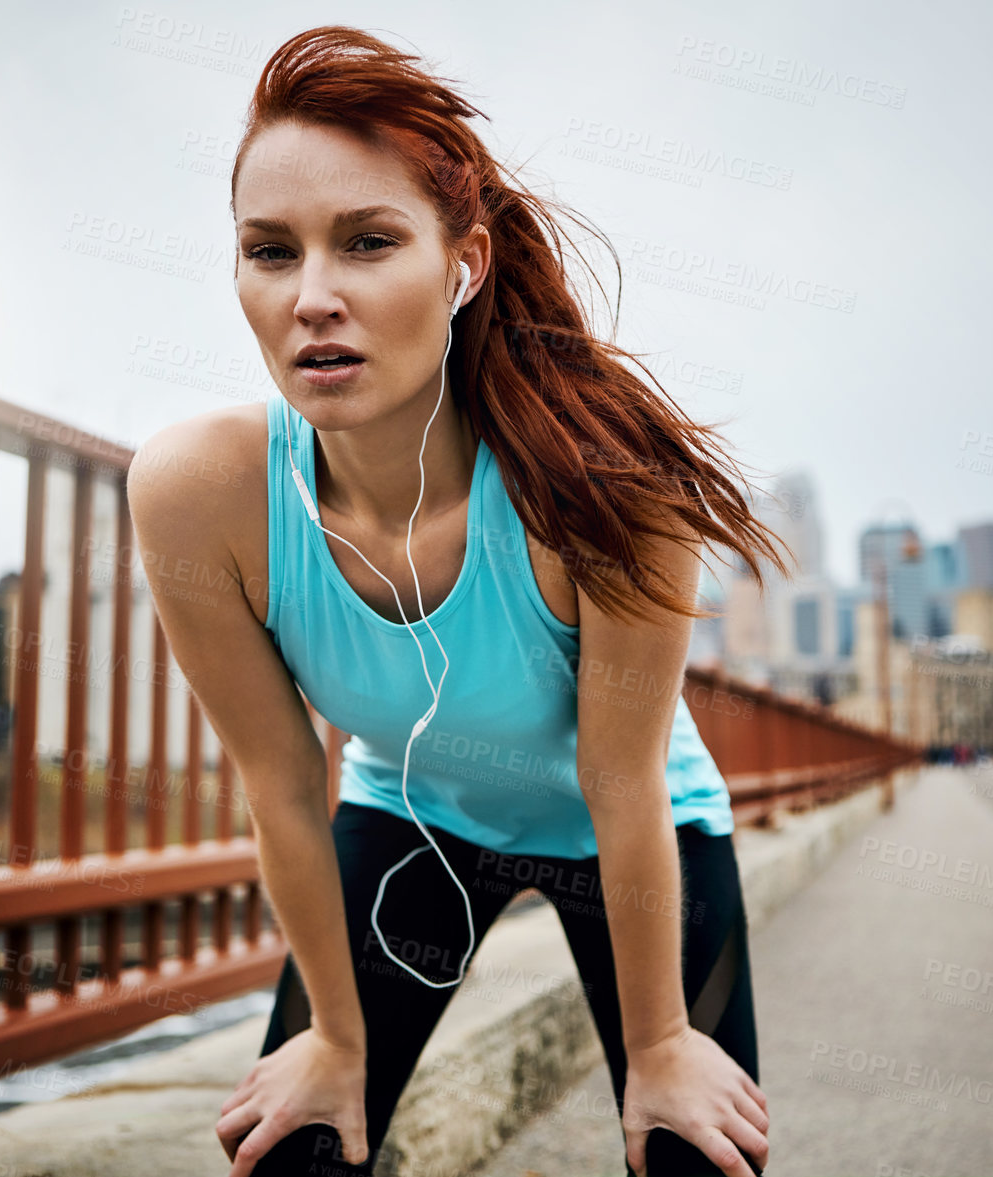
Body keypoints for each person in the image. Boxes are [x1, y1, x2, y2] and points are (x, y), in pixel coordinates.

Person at [127, 26, 795, 1177]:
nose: (313, 298)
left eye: (369, 242)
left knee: (696, 1150)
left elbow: (618, 776)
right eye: (269, 252)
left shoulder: (603, 488)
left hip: (634, 822)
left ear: (464, 265)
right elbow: (283, 784)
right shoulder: (201, 492)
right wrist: (333, 1041)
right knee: (292, 1147)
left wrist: (658, 1045)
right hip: (414, 816)